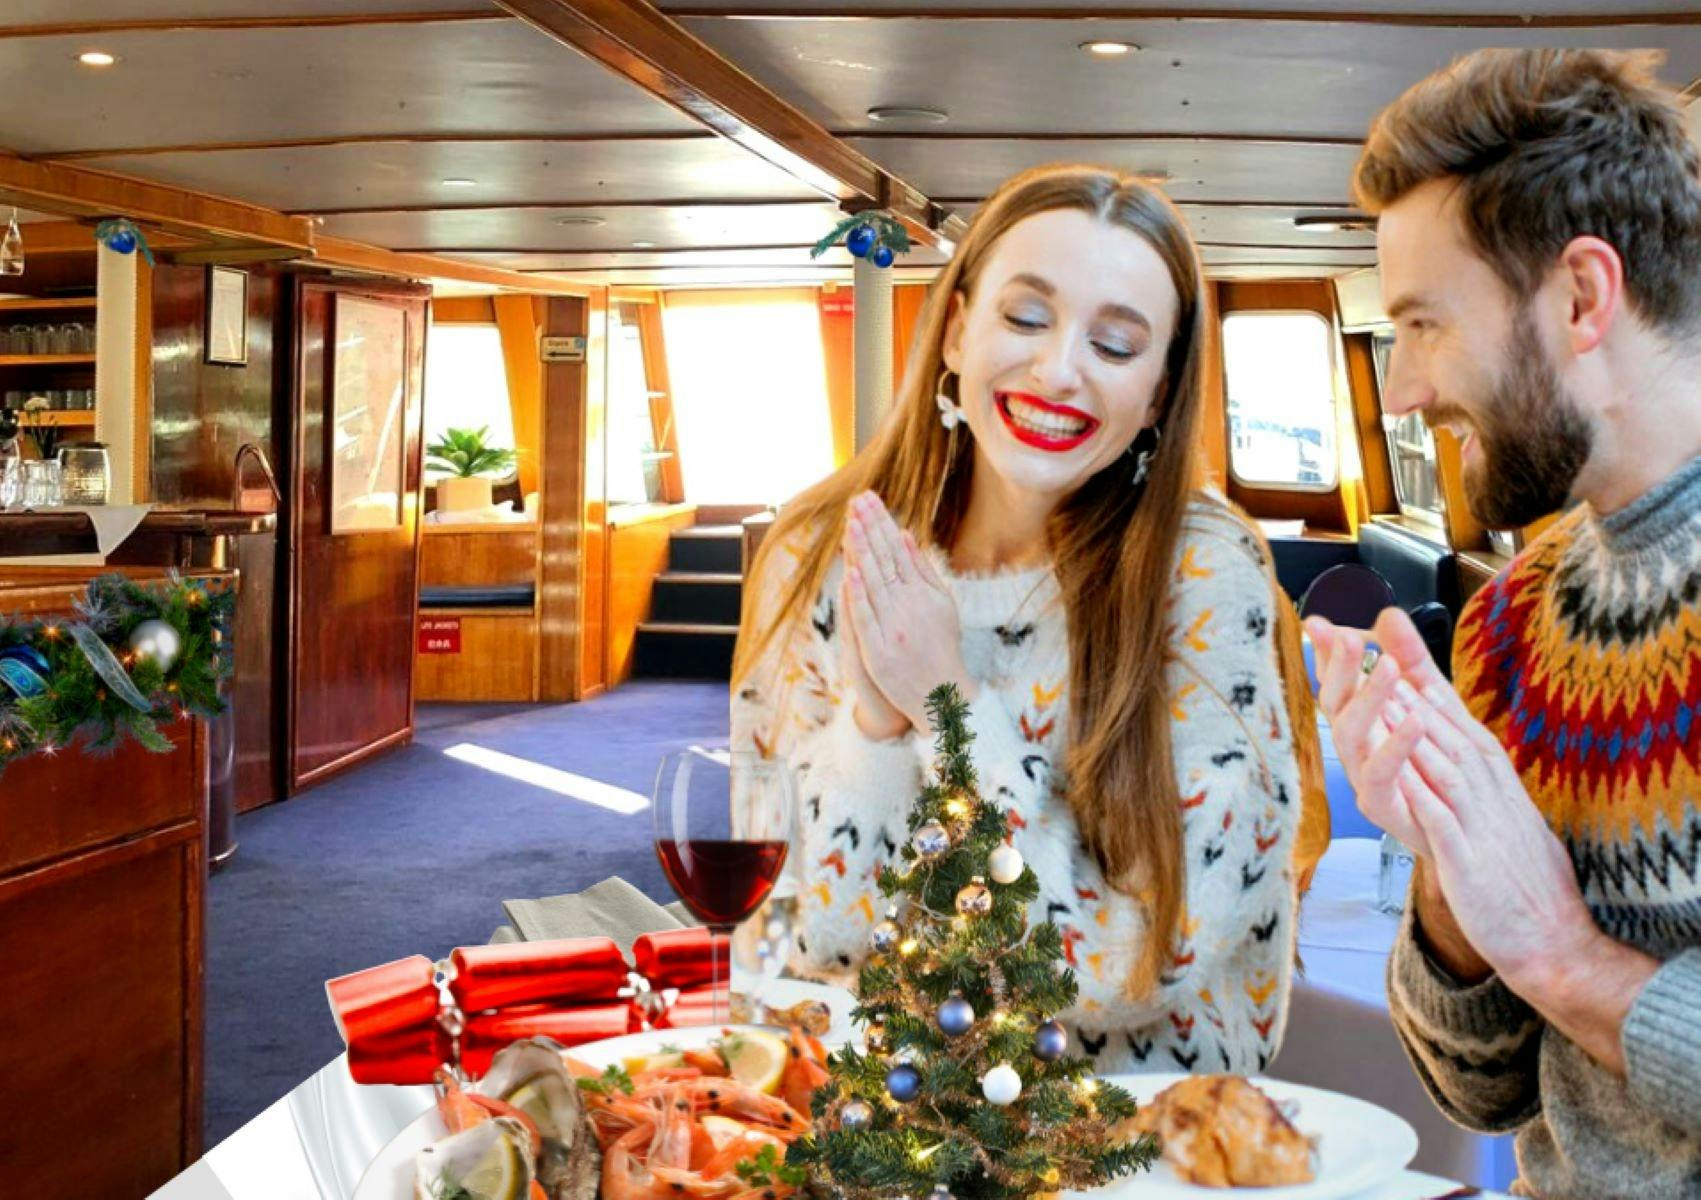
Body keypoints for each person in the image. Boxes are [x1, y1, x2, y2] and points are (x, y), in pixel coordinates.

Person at [732, 163, 1329, 1075]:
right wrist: (873, 728)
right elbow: (794, 940)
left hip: (1141, 1135)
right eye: (1023, 318)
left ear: (1158, 394)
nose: (1057, 371)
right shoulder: (817, 553)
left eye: (1115, 345)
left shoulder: (1205, 573)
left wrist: (947, 705)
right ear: (956, 329)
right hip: (872, 1118)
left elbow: (1136, 964)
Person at [1308, 49, 1701, 1198]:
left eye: (1425, 324)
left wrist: (1564, 956)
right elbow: (1483, 1095)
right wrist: (1446, 868)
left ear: (1581, 298)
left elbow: (1556, 968)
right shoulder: (1511, 623)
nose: (1401, 390)